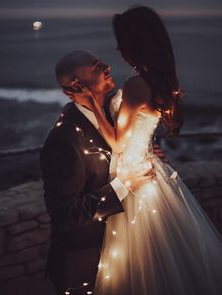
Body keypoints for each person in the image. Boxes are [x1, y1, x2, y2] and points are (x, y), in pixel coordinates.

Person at [73, 6, 222, 295]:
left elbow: (117, 142)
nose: (117, 48)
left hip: (133, 180)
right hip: (150, 170)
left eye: (122, 42)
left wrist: (92, 103)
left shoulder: (136, 85)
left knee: (139, 267)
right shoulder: (159, 80)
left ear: (136, 43)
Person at [40, 50, 161, 295]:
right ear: (73, 88)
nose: (107, 66)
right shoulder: (64, 141)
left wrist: (147, 152)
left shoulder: (112, 108)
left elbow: (125, 143)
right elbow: (66, 215)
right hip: (84, 263)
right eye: (96, 67)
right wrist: (123, 184)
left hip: (124, 248)